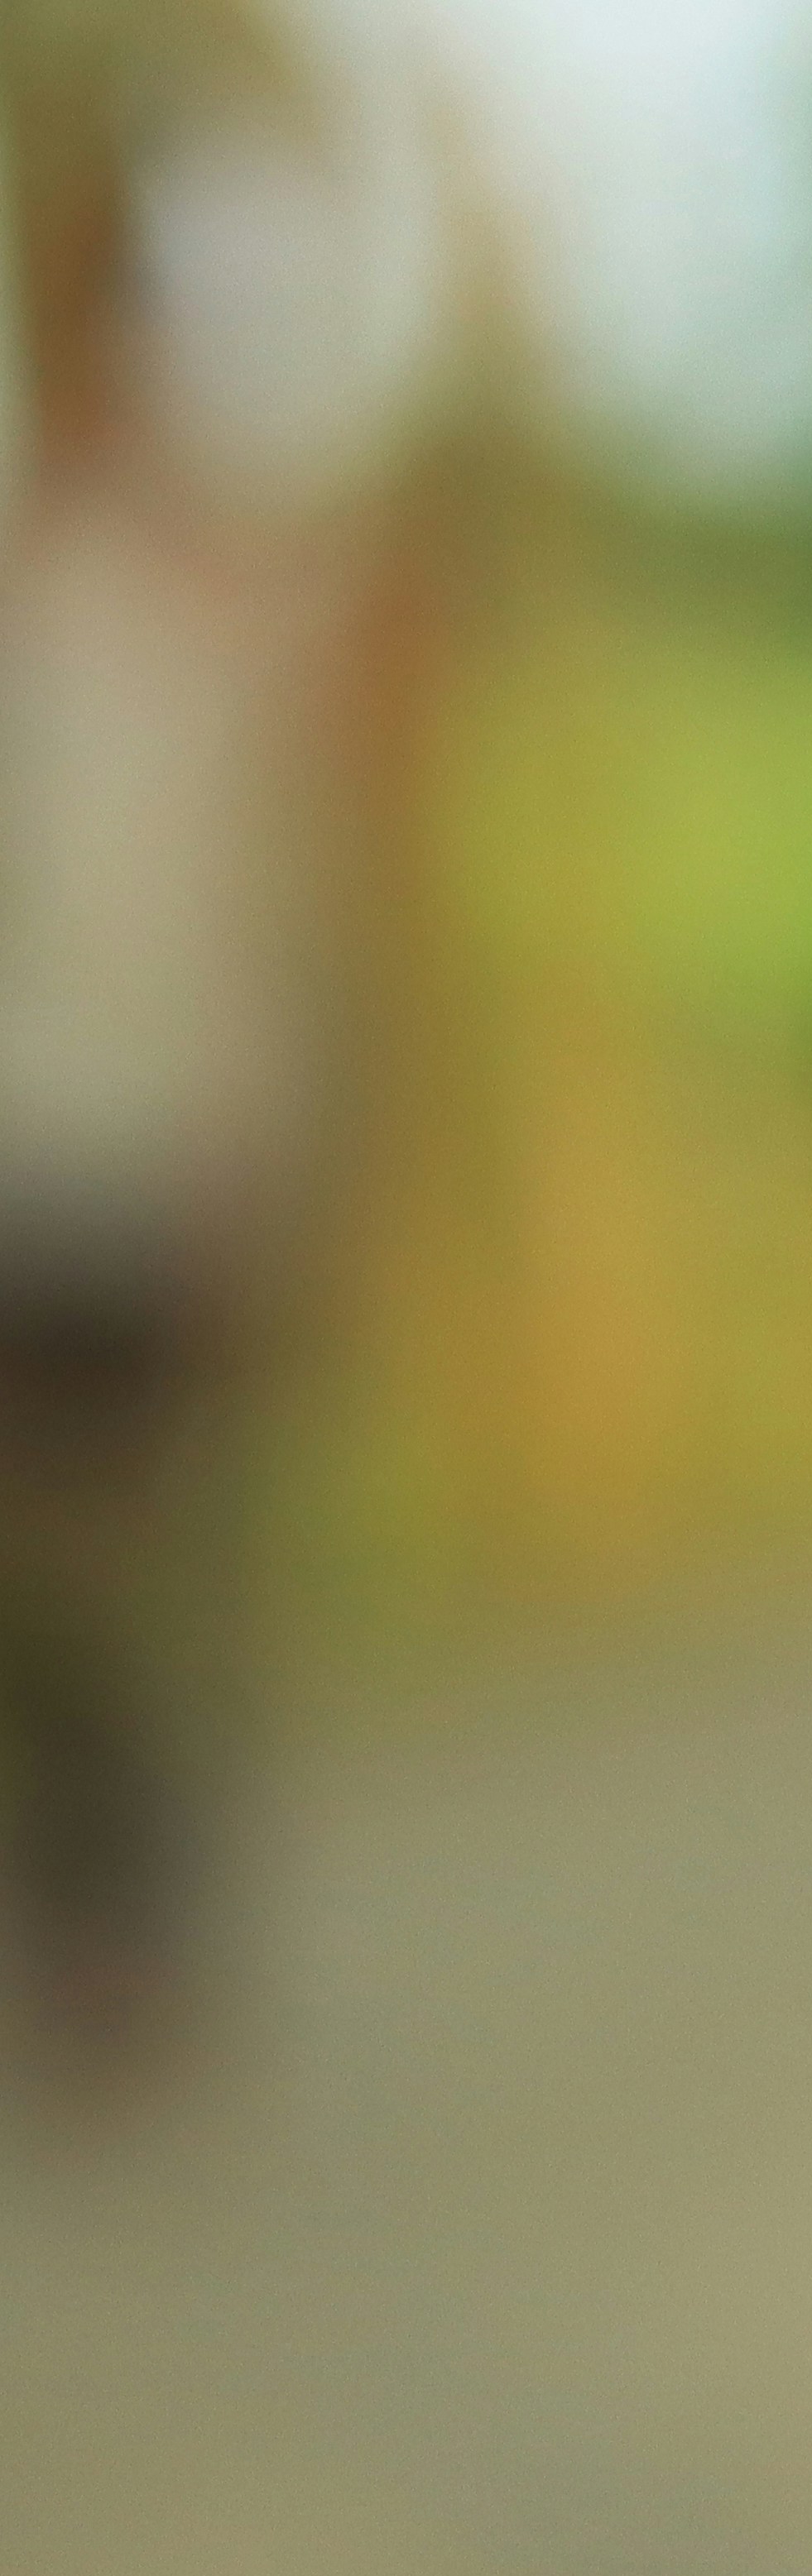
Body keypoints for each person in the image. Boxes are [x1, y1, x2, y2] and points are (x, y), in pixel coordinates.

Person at [0, 72, 357, 2104]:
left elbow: (259, 907)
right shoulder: (20, 589)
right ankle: (74, 1917)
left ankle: (127, 1931)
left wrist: (266, 1156)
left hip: (161, 1158)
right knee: (33, 1573)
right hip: (20, 1148)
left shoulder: (213, 603)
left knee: (129, 1572)